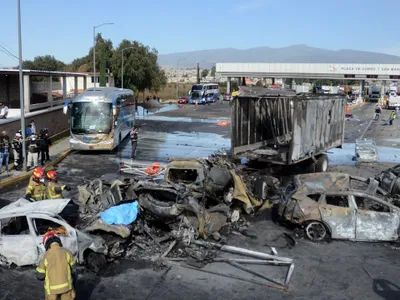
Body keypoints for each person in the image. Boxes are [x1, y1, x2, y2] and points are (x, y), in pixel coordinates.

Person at [36, 231, 76, 300]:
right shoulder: (67, 252)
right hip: (67, 287)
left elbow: (40, 275)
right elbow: (73, 269)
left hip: (51, 290)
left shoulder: (46, 256)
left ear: (46, 244)